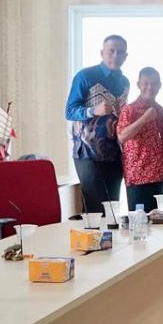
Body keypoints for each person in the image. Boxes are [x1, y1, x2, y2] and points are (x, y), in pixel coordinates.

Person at [65, 34, 130, 213]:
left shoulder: (125, 82)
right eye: (111, 51)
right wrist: (93, 110)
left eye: (120, 52)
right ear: (102, 53)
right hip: (87, 154)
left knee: (112, 209)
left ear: (126, 56)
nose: (115, 56)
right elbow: (69, 111)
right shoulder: (85, 76)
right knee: (94, 208)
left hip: (115, 153)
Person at [116, 67, 163, 211]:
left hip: (157, 175)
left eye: (154, 83)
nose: (150, 87)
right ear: (138, 85)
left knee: (158, 220)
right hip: (137, 175)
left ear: (160, 85)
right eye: (146, 83)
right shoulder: (130, 109)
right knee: (139, 220)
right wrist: (144, 119)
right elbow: (122, 136)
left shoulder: (160, 110)